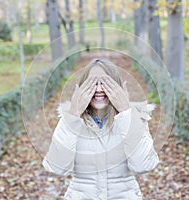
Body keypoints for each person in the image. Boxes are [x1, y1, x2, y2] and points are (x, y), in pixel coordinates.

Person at [42, 58, 159, 199]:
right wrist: (72, 116)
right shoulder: (70, 120)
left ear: (119, 87)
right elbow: (57, 168)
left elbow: (143, 165)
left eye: (105, 83)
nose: (98, 89)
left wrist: (126, 113)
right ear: (80, 88)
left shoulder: (135, 118)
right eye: (92, 83)